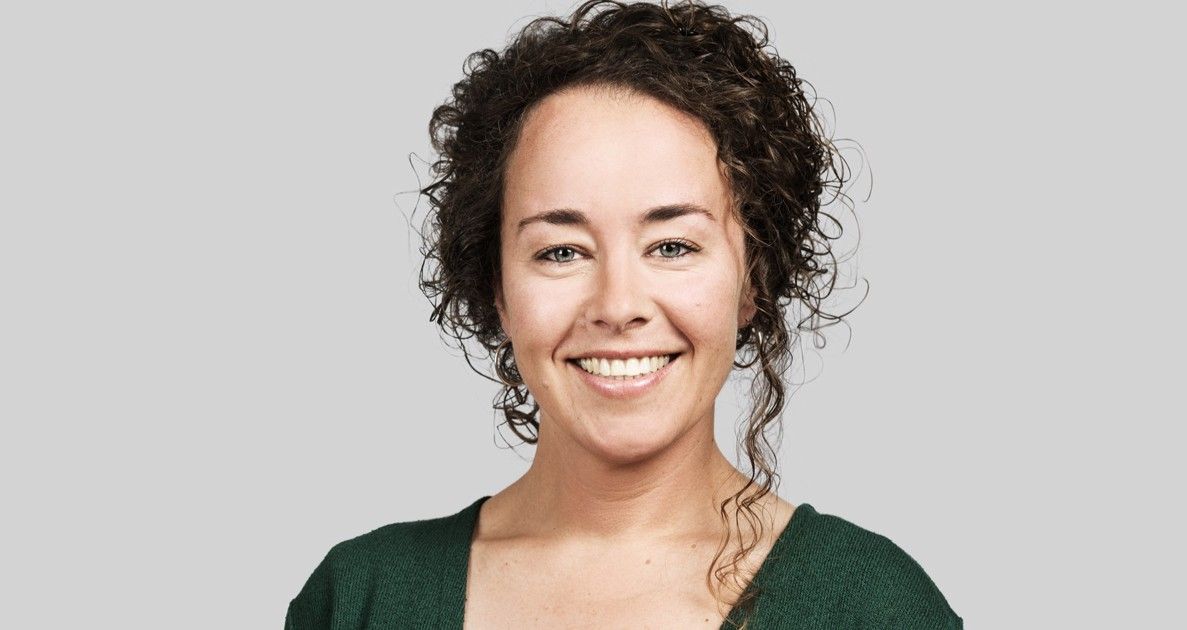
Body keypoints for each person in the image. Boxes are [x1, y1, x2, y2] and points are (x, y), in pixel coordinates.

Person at [286, 1, 962, 628]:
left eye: (672, 246)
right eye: (561, 251)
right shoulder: (362, 597)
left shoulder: (873, 607)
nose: (617, 307)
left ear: (752, 278)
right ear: (497, 288)